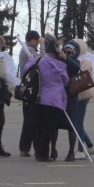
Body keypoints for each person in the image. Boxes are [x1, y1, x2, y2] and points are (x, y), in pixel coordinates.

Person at [25, 34, 68, 162]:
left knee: (39, 126)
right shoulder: (58, 65)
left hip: (38, 97)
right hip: (54, 99)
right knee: (49, 128)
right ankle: (43, 154)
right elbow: (65, 81)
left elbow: (25, 70)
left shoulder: (38, 60)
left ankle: (39, 152)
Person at [73, 38, 94, 159]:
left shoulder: (83, 60)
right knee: (77, 122)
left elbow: (78, 74)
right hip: (86, 91)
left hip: (81, 93)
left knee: (78, 122)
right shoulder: (90, 57)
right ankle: (90, 145)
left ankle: (80, 150)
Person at [17, 30, 42, 157]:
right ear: (32, 40)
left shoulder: (27, 49)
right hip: (30, 89)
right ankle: (30, 148)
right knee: (32, 120)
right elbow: (40, 61)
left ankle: (25, 147)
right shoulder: (28, 51)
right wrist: (43, 46)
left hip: (28, 89)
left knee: (29, 120)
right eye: (38, 40)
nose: (38, 43)